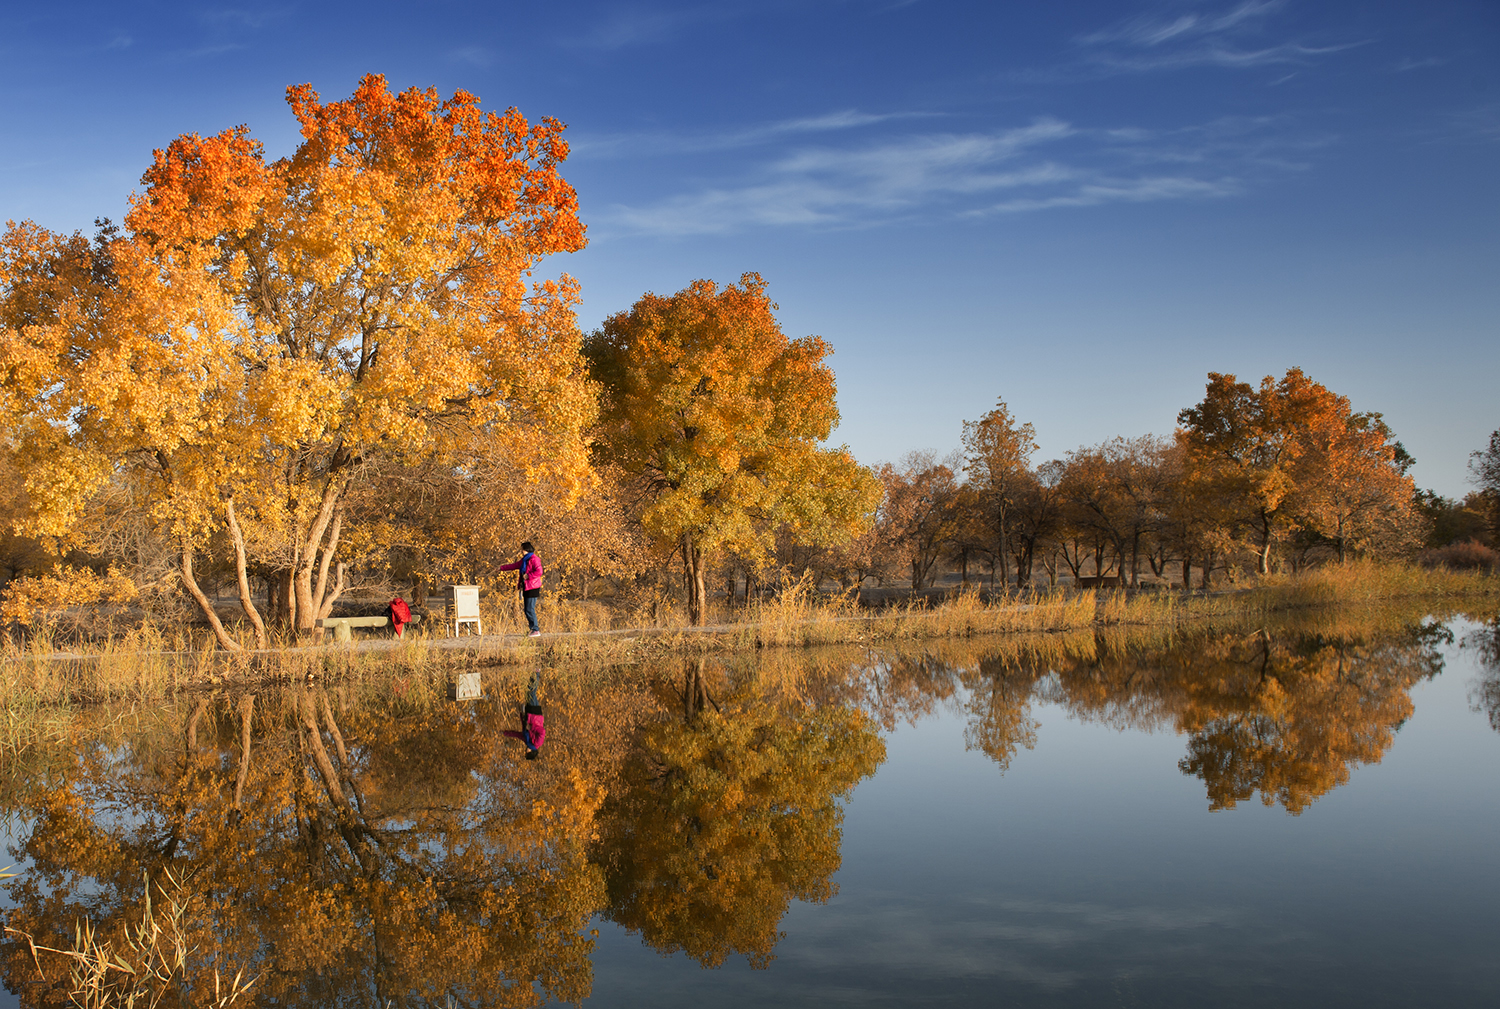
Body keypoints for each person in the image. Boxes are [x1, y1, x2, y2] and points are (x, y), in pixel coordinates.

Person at [498, 541, 544, 637]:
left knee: (529, 609)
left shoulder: (534, 559)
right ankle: (533, 629)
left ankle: (535, 629)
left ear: (526, 549)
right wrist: (501, 568)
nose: (521, 551)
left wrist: (529, 576)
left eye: (522, 549)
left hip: (533, 586)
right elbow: (513, 566)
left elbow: (539, 571)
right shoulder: (524, 560)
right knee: (527, 609)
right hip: (526, 587)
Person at [502, 671, 545, 760]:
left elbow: (517, 734)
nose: (525, 751)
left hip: (529, 715)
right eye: (527, 752)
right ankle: (537, 672)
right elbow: (542, 731)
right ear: (531, 752)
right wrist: (532, 728)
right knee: (531, 694)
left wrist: (505, 733)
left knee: (529, 693)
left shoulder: (527, 740)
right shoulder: (538, 743)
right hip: (536, 716)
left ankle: (533, 674)